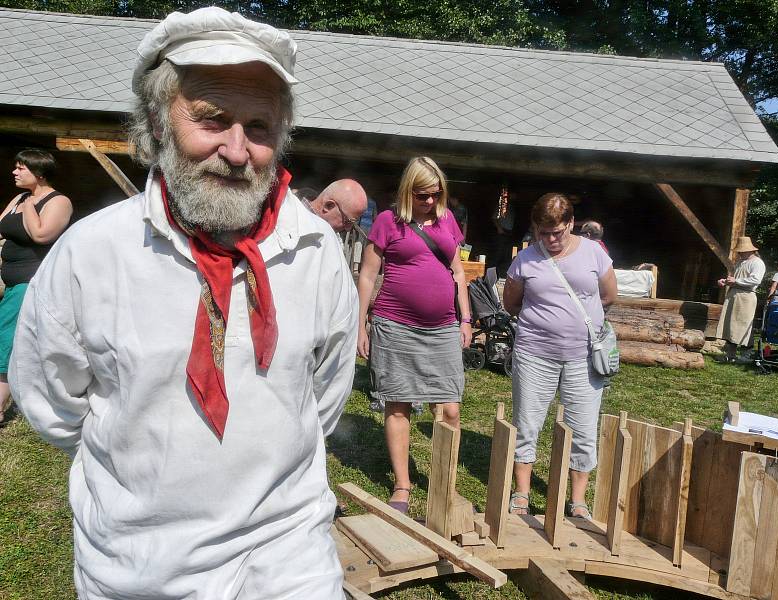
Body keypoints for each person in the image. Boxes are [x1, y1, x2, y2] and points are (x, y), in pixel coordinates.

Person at [10, 8, 357, 600]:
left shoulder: (316, 250)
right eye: (211, 119)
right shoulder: (94, 252)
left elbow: (323, 394)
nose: (237, 149)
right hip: (137, 568)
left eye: (260, 126)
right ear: (157, 121)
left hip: (288, 563)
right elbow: (50, 401)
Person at [356, 156, 471, 514]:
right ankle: (402, 484)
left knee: (450, 407)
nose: (430, 202)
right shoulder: (388, 222)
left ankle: (444, 482)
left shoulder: (447, 220)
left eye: (436, 195)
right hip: (395, 325)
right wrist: (360, 323)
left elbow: (458, 271)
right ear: (408, 191)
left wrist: (466, 319)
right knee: (398, 403)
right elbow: (367, 275)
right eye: (423, 195)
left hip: (442, 328)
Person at [503, 193, 617, 518]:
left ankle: (578, 500)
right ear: (536, 228)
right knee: (528, 422)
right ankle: (522, 493)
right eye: (544, 233)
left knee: (582, 426)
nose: (551, 240)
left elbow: (609, 295)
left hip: (583, 358)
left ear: (571, 224)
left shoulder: (594, 253)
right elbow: (511, 303)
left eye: (558, 232)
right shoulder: (525, 259)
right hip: (534, 354)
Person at [0, 149, 72, 423]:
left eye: (21, 168)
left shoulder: (58, 201)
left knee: (5, 341)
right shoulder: (19, 198)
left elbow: (42, 234)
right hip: (11, 281)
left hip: (31, 282)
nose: (14, 172)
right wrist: (24, 202)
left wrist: (30, 206)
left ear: (39, 173)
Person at [716, 237, 766, 362]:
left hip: (746, 298)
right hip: (734, 296)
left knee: (744, 326)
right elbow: (735, 279)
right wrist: (726, 281)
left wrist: (736, 281)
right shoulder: (740, 262)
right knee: (731, 325)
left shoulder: (757, 263)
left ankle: (746, 355)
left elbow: (756, 280)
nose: (739, 253)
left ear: (749, 250)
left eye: (741, 251)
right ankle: (730, 355)